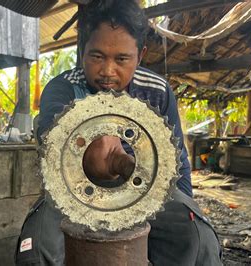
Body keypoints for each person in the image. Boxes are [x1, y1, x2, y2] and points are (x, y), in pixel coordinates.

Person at [16, 0, 221, 265]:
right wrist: (89, 149)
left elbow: (176, 159)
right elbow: (51, 138)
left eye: (121, 59)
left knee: (197, 238)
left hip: (147, 191)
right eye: (97, 56)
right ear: (82, 52)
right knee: (36, 247)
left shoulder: (157, 90)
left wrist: (185, 209)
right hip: (72, 193)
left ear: (140, 55)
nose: (107, 71)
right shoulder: (62, 88)